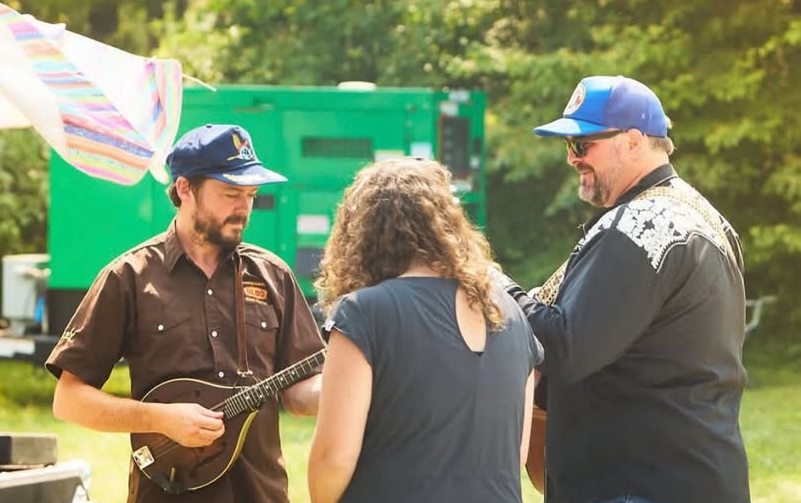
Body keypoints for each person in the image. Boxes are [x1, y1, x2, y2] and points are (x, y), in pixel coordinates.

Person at [496, 75, 751, 503]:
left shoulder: (640, 224)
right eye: (568, 146)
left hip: (637, 487)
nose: (572, 159)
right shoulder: (706, 217)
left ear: (633, 141)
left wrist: (496, 285)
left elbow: (564, 347)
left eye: (583, 145)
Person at [45, 124, 325, 503]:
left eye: (251, 195)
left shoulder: (273, 276)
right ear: (184, 189)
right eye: (230, 193)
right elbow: (70, 400)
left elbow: (298, 395)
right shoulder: (128, 278)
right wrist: (161, 420)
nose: (243, 208)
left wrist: (354, 380)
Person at [307, 158, 544, 503]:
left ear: (360, 233)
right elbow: (516, 455)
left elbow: (333, 459)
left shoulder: (363, 313)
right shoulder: (511, 314)